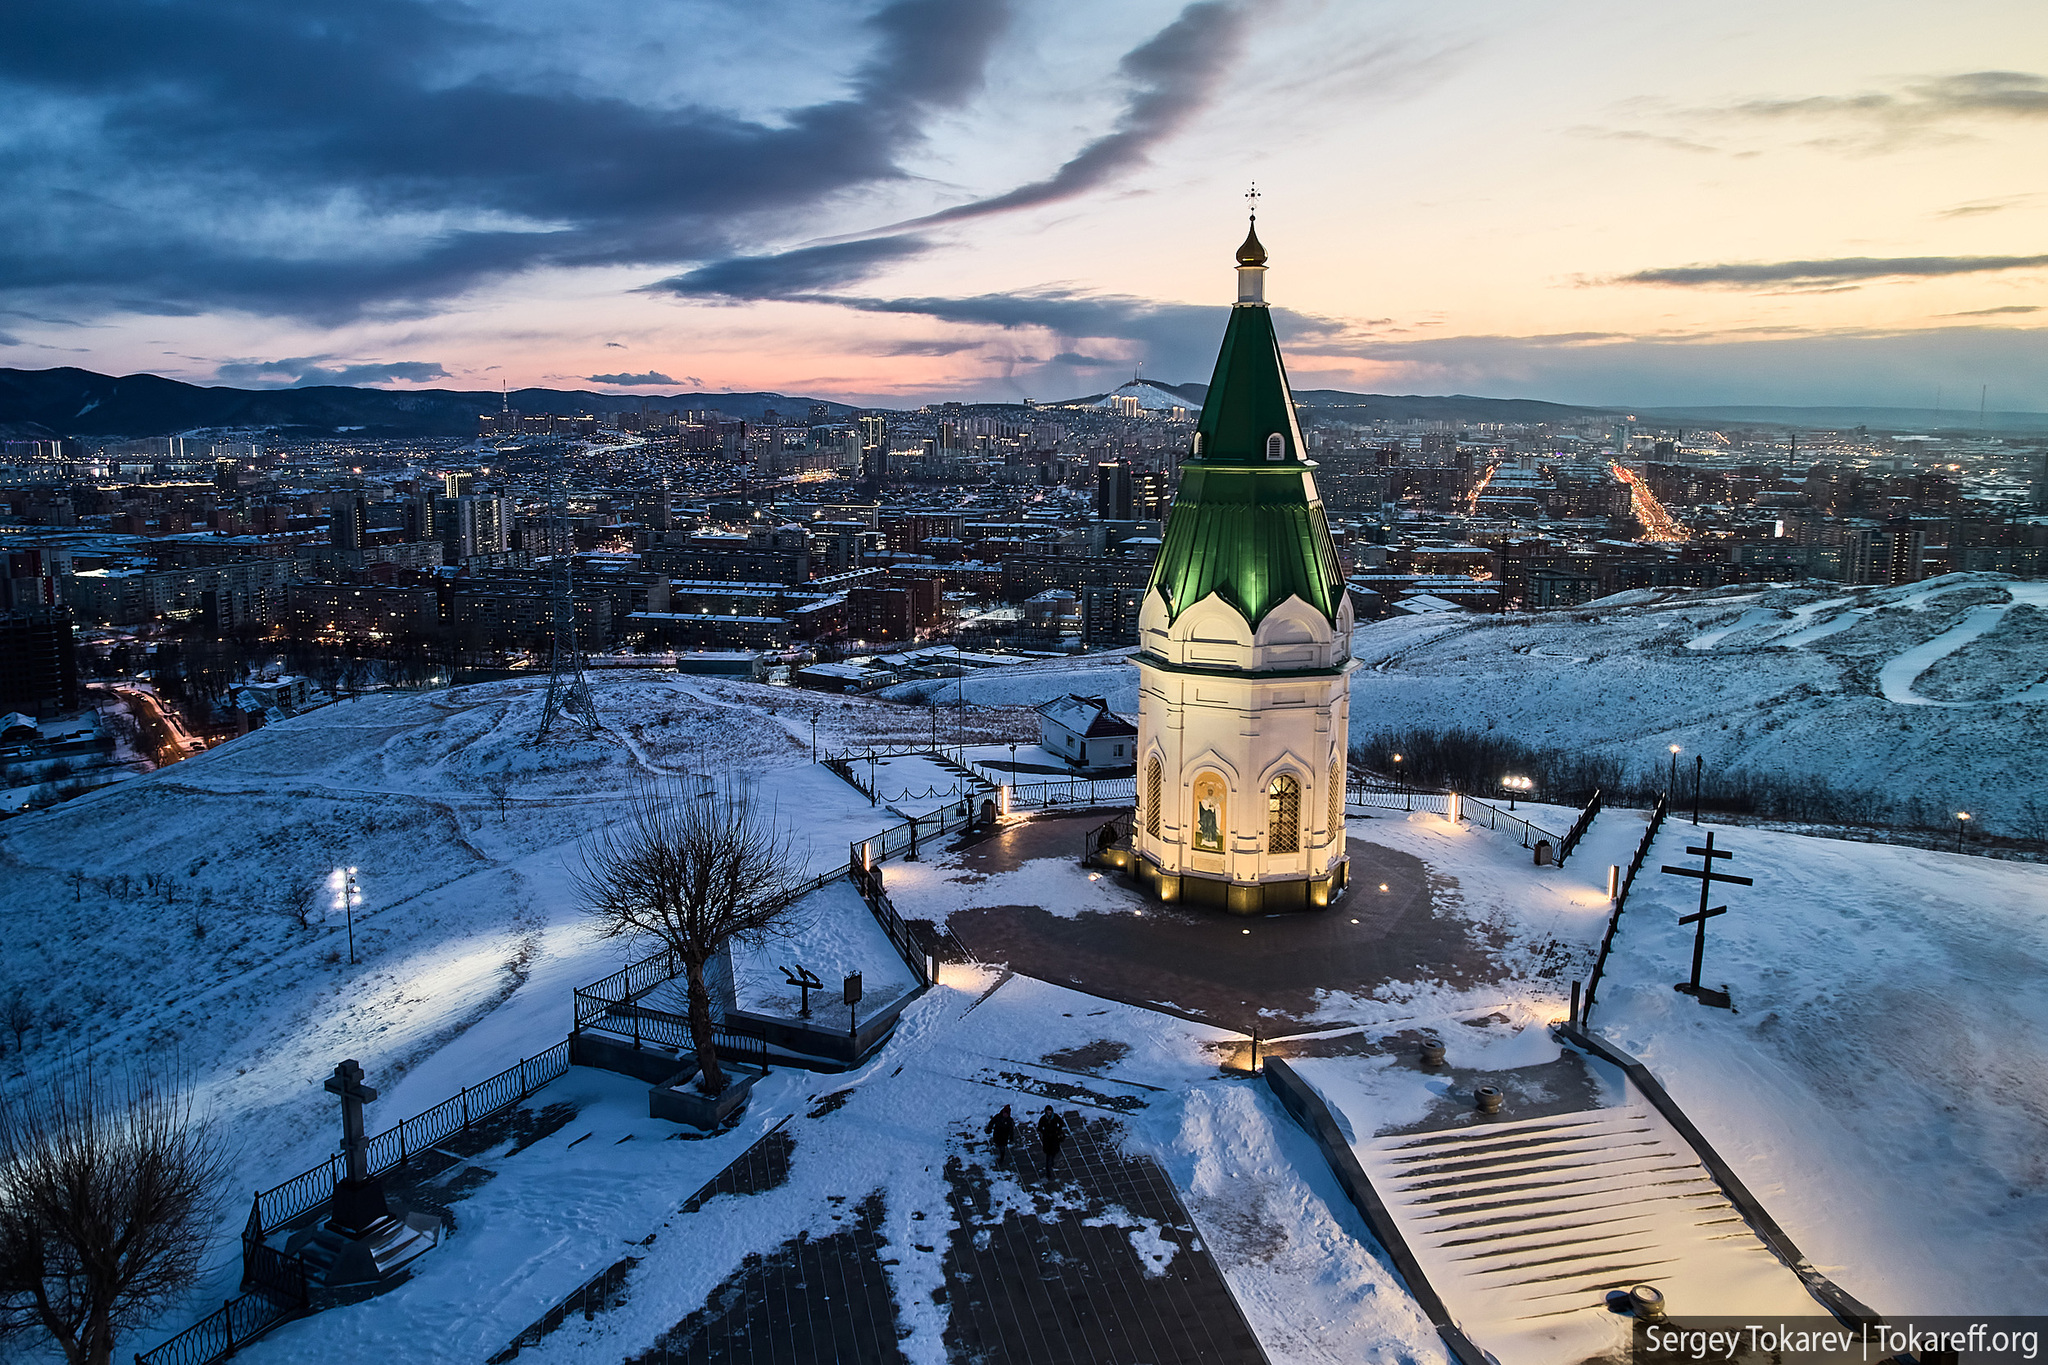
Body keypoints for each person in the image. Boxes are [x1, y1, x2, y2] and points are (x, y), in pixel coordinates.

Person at [1037, 1107, 1068, 1177]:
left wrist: (1058, 1129)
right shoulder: (1043, 1118)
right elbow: (1039, 1127)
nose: (1049, 1113)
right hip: (1047, 1138)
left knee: (1054, 1152)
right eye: (1048, 1111)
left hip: (1054, 1137)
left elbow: (1061, 1123)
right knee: (1048, 1154)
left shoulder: (1055, 1117)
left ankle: (1051, 1162)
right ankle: (1048, 1169)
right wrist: (1044, 1132)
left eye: (1050, 1111)